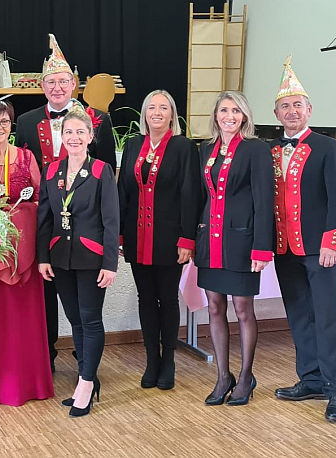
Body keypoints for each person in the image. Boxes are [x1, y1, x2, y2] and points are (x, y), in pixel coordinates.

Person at [15, 33, 116, 372]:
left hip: (87, 228)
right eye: (51, 82)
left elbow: (107, 174)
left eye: (63, 81)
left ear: (74, 83)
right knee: (48, 296)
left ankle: (86, 364)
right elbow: (24, 171)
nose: (57, 87)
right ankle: (47, 357)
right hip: (47, 224)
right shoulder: (26, 121)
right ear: (42, 85)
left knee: (85, 308)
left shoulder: (98, 119)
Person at [270, 57, 336, 423]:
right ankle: (312, 379)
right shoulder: (269, 151)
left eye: (297, 105)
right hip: (285, 248)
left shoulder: (329, 148)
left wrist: (333, 241)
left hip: (321, 250)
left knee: (328, 318)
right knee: (300, 316)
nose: (292, 111)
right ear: (276, 114)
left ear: (309, 110)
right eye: (285, 106)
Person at [0, 100, 54, 406]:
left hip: (24, 252)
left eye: (4, 122)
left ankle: (30, 383)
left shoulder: (26, 157)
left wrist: (18, 217)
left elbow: (42, 200)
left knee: (24, 320)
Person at [37, 106, 119, 417]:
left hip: (91, 257)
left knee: (90, 319)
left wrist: (110, 263)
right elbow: (45, 219)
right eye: (68, 132)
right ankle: (88, 377)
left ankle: (85, 383)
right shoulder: (51, 171)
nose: (74, 137)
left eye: (80, 132)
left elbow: (111, 220)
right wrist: (43, 257)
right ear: (61, 135)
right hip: (60, 257)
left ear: (90, 136)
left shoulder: (100, 170)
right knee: (75, 321)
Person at [194, 91, 274, 406]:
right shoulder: (206, 149)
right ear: (216, 115)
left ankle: (245, 377)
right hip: (210, 240)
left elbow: (264, 200)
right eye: (224, 110)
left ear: (245, 116)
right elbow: (200, 197)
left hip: (242, 241)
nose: (230, 116)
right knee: (214, 307)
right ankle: (222, 377)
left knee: (242, 309)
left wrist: (262, 248)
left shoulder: (256, 149)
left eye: (236, 111)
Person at [117, 90, 200, 390]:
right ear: (144, 113)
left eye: (163, 107)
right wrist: (120, 234)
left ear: (172, 114)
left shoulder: (183, 147)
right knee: (145, 298)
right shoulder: (132, 145)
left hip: (169, 238)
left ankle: (169, 360)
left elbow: (190, 194)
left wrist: (187, 238)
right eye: (151, 107)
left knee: (167, 298)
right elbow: (123, 191)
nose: (157, 112)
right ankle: (152, 359)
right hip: (137, 236)